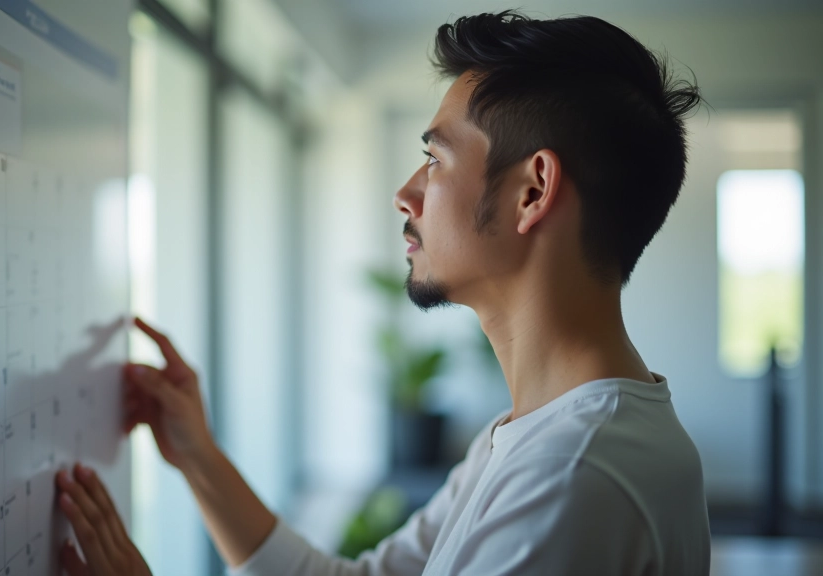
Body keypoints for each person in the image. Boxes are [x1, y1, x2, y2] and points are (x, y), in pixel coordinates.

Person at [53, 10, 711, 576]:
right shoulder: (539, 437)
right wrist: (198, 456)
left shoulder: (571, 477)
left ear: (532, 191)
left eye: (435, 159)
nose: (405, 194)